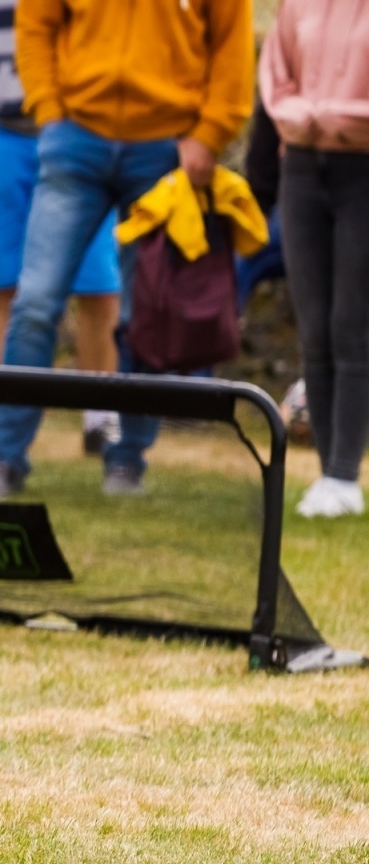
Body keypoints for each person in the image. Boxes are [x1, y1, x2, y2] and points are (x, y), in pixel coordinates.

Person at [0, 0, 253, 500]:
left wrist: (210, 135)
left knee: (145, 312)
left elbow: (232, 47)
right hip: (75, 143)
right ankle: (5, 460)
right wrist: (50, 112)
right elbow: (36, 23)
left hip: (164, 152)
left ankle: (127, 463)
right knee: (34, 304)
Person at [0, 0, 121, 454]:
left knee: (98, 285)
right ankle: (6, 417)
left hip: (83, 136)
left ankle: (101, 419)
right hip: (3, 138)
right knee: (2, 285)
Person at [261, 0, 369, 519]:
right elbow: (276, 73)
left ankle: (345, 475)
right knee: (315, 331)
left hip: (363, 170)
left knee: (353, 326)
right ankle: (328, 473)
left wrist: (335, 114)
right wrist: (301, 116)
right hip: (301, 167)